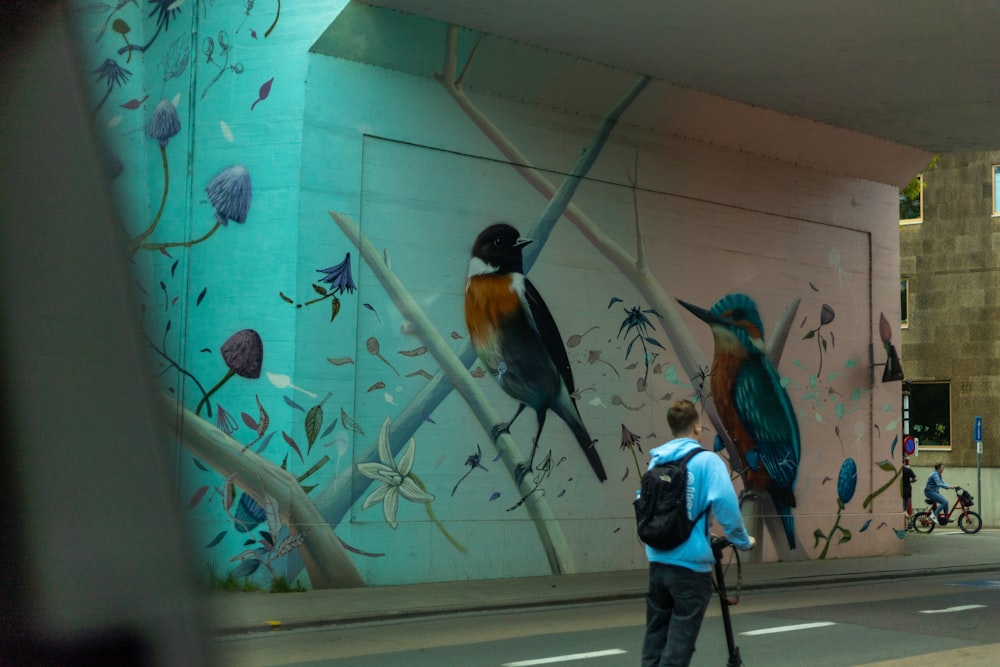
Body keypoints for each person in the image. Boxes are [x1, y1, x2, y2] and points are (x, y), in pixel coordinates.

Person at [641, 399, 755, 667]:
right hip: (690, 569)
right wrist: (742, 541)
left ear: (672, 428)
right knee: (680, 641)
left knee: (655, 636)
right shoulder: (707, 461)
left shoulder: (655, 462)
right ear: (697, 427)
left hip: (658, 563)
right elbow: (727, 506)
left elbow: (643, 503)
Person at [900, 457, 917, 523]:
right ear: (903, 462)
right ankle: (906, 523)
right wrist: (911, 481)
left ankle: (905, 518)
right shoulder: (908, 470)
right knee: (905, 509)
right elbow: (915, 478)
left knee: (901, 509)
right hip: (908, 491)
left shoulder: (898, 471)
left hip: (900, 491)